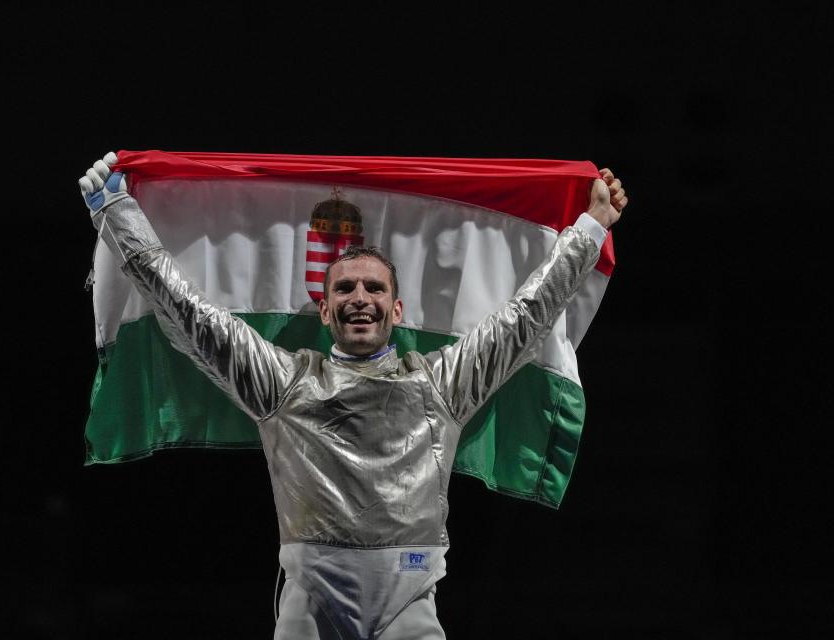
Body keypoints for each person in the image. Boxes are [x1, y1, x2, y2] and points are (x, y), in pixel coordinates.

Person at [79, 152, 627, 640]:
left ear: (396, 311)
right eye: (344, 288)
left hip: (409, 599)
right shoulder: (285, 382)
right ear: (324, 309)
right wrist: (115, 213)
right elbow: (188, 312)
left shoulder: (439, 384)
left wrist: (591, 225)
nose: (358, 298)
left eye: (373, 289)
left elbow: (525, 317)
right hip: (311, 600)